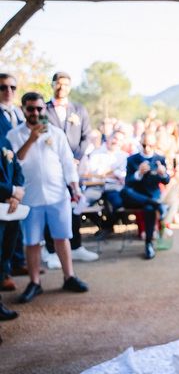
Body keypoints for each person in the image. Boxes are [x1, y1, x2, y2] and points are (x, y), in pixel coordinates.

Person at [6, 92, 89, 303]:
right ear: (24, 109)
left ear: (44, 110)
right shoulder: (14, 135)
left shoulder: (56, 133)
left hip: (57, 194)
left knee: (62, 237)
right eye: (31, 108)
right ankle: (35, 282)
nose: (35, 112)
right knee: (32, 242)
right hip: (30, 197)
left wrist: (74, 187)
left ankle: (69, 276)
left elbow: (67, 162)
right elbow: (15, 163)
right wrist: (32, 139)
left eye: (39, 108)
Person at [44, 71, 98, 265]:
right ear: (52, 85)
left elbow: (87, 136)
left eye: (66, 84)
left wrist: (75, 158)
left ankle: (76, 246)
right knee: (52, 207)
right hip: (51, 167)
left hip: (75, 167)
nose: (62, 87)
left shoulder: (79, 109)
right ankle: (51, 251)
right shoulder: (43, 108)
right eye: (59, 84)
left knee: (74, 206)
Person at [120, 131, 170, 260]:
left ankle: (149, 244)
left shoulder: (160, 159)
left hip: (152, 197)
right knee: (124, 191)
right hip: (136, 197)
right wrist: (138, 173)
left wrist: (162, 173)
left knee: (149, 208)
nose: (146, 148)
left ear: (154, 144)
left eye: (149, 145)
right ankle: (158, 205)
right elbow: (128, 182)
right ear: (140, 144)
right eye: (143, 145)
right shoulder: (132, 159)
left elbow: (166, 180)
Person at [0, 73, 28, 280]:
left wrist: (17, 191)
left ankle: (17, 263)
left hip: (14, 179)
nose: (8, 91)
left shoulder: (19, 113)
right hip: (2, 185)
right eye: (2, 87)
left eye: (12, 87)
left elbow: (15, 158)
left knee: (14, 229)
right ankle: (4, 274)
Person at [0, 135, 23, 323]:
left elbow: (16, 168)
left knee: (6, 252)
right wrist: (10, 192)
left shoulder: (5, 141)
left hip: (10, 209)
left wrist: (16, 193)